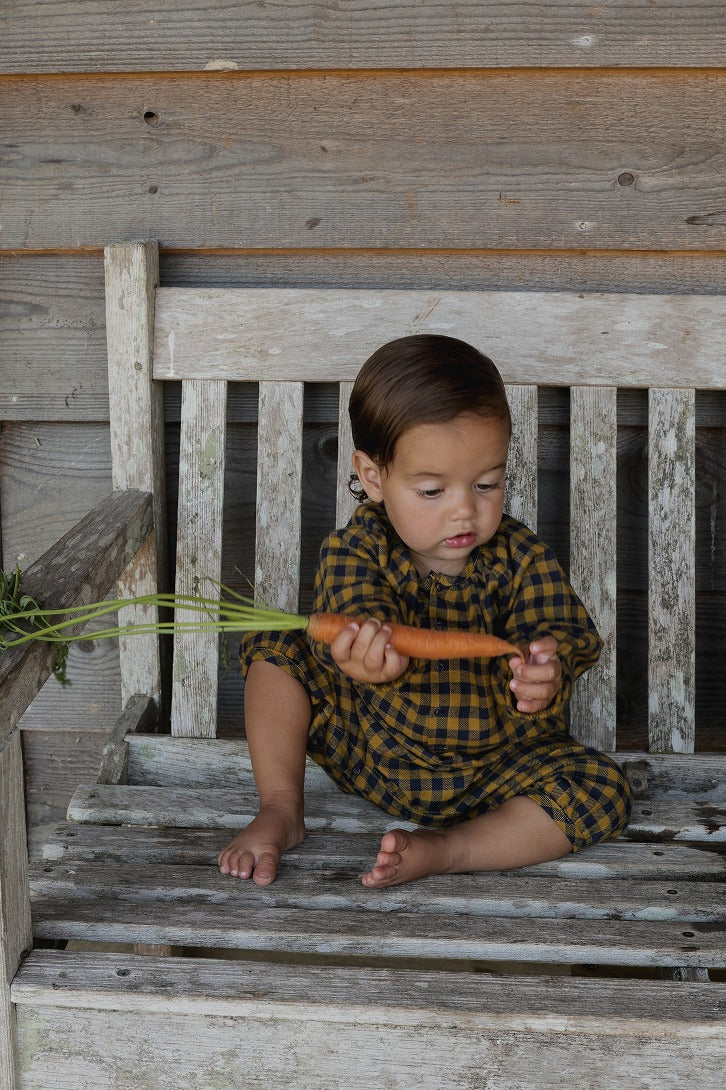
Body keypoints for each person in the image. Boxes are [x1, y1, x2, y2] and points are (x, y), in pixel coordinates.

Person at [218, 334, 632, 888]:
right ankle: (280, 807)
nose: (466, 509)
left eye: (487, 482)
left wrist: (544, 672)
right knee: (276, 648)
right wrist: (365, 655)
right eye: (434, 490)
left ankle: (450, 849)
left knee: (602, 788)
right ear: (373, 477)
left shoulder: (521, 557)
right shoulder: (359, 549)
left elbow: (560, 629)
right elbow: (354, 608)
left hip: (498, 769)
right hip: (370, 747)